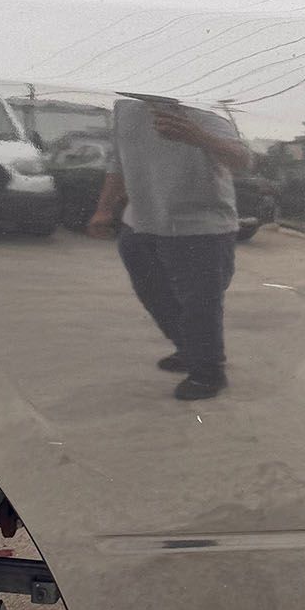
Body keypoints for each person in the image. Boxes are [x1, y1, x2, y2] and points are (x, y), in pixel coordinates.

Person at [87, 95, 248, 401]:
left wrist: (197, 136)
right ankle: (190, 350)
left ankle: (208, 374)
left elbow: (242, 159)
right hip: (140, 223)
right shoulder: (125, 106)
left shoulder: (203, 105)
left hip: (199, 225)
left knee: (200, 305)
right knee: (155, 295)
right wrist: (104, 208)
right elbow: (118, 159)